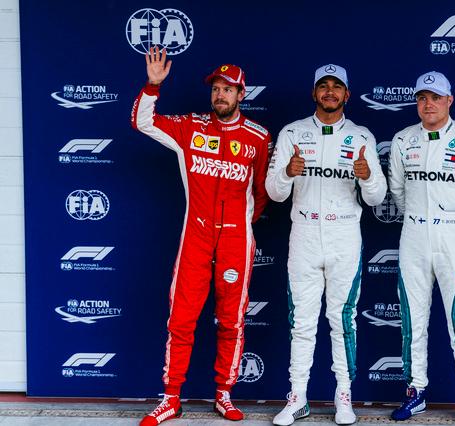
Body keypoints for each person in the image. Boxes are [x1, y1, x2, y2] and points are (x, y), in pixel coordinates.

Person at [131, 47, 271, 425]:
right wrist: (153, 86)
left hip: (235, 241)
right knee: (181, 318)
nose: (220, 95)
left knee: (232, 320)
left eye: (228, 89)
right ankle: (171, 398)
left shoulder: (258, 137)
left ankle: (224, 394)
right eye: (216, 89)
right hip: (195, 235)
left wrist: (241, 225)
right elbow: (143, 122)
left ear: (241, 94)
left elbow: (263, 193)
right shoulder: (191, 127)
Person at [266, 64, 387, 425]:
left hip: (343, 235)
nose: (330, 92)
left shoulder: (361, 136)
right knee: (301, 321)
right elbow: (274, 193)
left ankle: (344, 397)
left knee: (343, 319)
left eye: (337, 86)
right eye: (323, 86)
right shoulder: (293, 133)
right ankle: (297, 397)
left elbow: (377, 197)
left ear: (347, 94)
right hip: (304, 233)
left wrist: (367, 178)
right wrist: (287, 172)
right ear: (314, 93)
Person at [387, 71, 455, 425]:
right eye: (422, 97)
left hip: (454, 238)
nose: (428, 104)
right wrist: (418, 219)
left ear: (449, 100)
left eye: (435, 97)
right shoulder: (403, 140)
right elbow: (398, 191)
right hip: (414, 236)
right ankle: (415, 390)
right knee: (412, 320)